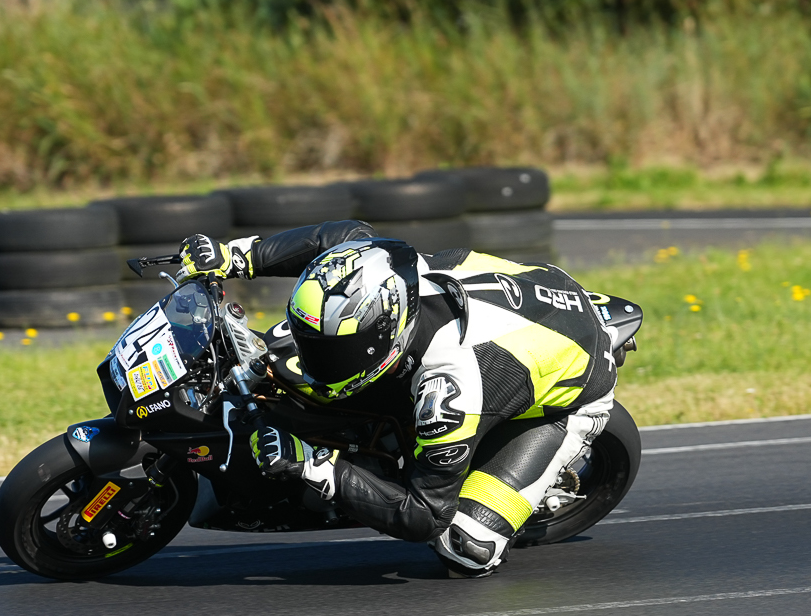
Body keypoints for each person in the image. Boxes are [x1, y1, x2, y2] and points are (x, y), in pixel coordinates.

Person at [178, 222, 617, 576]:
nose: (314, 359)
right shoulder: (385, 267)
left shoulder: (450, 391)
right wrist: (237, 257)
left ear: (387, 339)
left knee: (464, 547)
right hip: (526, 298)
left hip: (568, 395)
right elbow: (340, 236)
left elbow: (424, 515)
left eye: (335, 352)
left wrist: (315, 464)